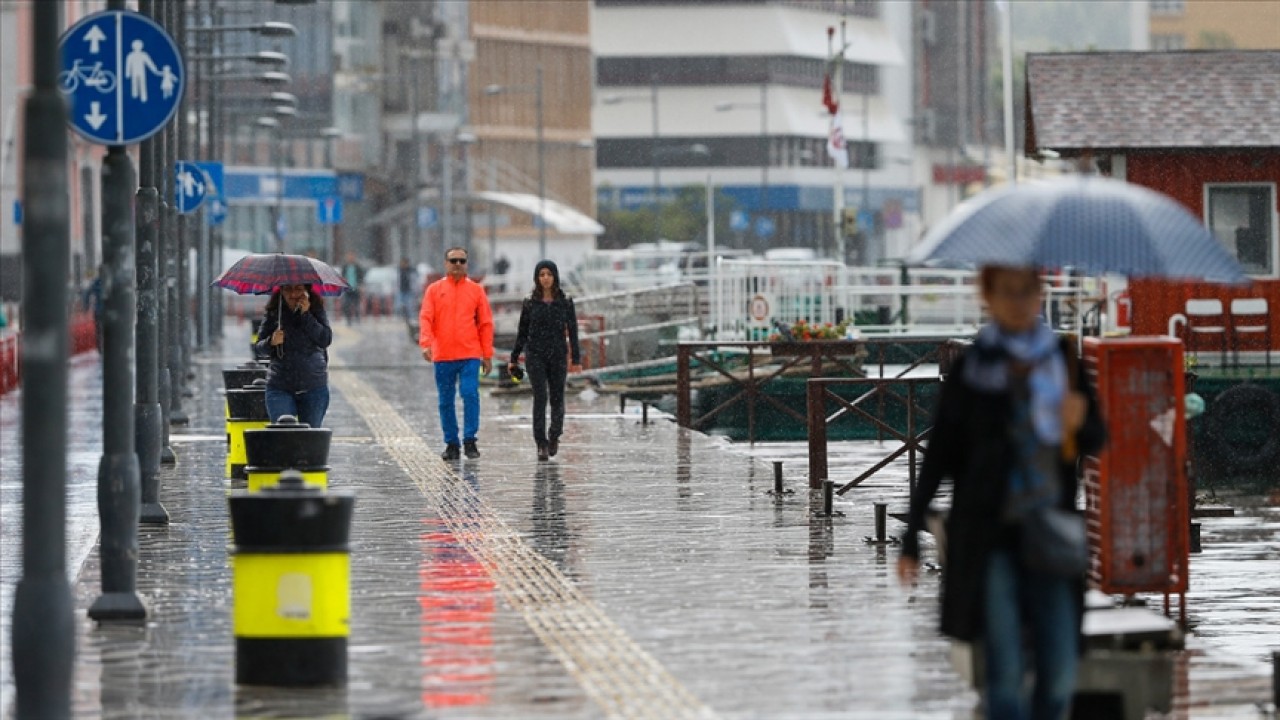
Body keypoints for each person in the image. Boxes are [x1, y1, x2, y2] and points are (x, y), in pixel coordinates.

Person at [896, 265, 1106, 720]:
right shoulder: (973, 369)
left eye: (1027, 291)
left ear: (1040, 295)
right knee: (1004, 674)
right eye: (1007, 292)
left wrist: (1078, 425)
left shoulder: (1063, 360)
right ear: (988, 297)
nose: (1018, 302)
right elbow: (939, 456)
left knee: (1060, 672)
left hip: (1051, 532)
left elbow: (1095, 437)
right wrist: (911, 535)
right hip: (990, 537)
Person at [419, 247, 494, 460]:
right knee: (445, 401)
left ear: (467, 264)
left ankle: (470, 440)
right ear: (446, 264)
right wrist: (426, 343)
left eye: (462, 261)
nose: (458, 264)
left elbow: (485, 323)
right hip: (443, 355)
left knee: (470, 394)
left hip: (469, 354)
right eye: (454, 261)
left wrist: (487, 354)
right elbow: (426, 317)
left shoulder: (476, 291)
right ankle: (451, 442)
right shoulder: (434, 290)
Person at [510, 260, 582, 461]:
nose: (546, 278)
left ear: (555, 276)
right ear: (537, 278)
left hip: (558, 354)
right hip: (535, 355)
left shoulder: (565, 301)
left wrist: (576, 357)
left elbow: (573, 330)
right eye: (541, 275)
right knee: (540, 397)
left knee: (557, 397)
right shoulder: (530, 302)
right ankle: (540, 443)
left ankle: (554, 435)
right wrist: (514, 358)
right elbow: (522, 332)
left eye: (549, 274)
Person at [254, 284, 333, 429]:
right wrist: (271, 341)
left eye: (298, 289)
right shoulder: (274, 312)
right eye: (288, 289)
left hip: (313, 385)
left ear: (306, 290)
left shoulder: (315, 308)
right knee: (282, 433)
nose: (293, 294)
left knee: (310, 437)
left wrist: (306, 315)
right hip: (280, 385)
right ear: (281, 290)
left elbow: (325, 339)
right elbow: (259, 348)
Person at [340, 253, 363, 325]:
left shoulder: (357, 267)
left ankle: (357, 319)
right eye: (349, 256)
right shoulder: (345, 267)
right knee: (347, 304)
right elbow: (342, 277)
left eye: (352, 256)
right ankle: (348, 320)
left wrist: (360, 285)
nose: (350, 258)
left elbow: (361, 277)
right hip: (348, 289)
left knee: (356, 304)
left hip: (356, 288)